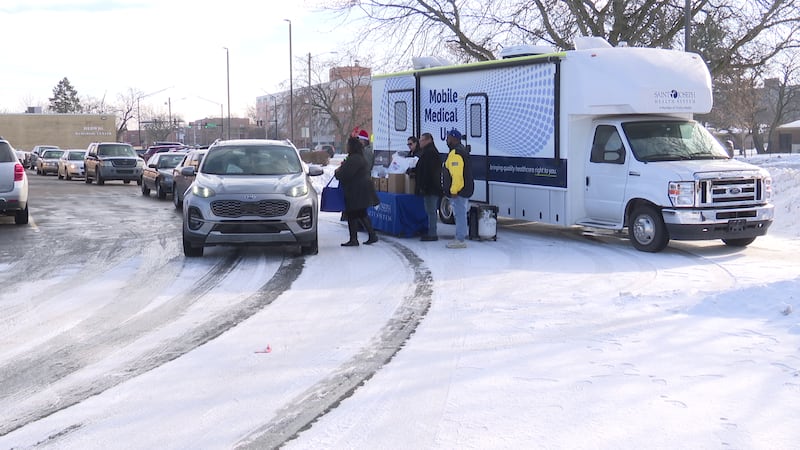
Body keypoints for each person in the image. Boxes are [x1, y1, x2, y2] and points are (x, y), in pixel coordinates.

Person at [334, 136, 380, 246]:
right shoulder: (359, 157)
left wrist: (337, 172)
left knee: (352, 214)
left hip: (356, 191)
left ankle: (355, 239)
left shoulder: (354, 159)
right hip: (360, 190)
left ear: (352, 146)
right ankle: (371, 235)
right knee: (360, 213)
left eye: (348, 145)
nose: (347, 147)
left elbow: (344, 174)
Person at [441, 128, 473, 249]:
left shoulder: (456, 154)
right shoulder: (461, 151)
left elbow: (457, 175)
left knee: (459, 214)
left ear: (454, 139)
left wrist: (454, 190)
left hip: (459, 191)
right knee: (461, 214)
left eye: (448, 138)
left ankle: (460, 239)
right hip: (464, 189)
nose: (447, 140)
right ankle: (460, 237)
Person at [414, 132, 442, 241]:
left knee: (431, 211)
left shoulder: (430, 153)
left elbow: (428, 171)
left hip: (431, 187)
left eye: (421, 140)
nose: (420, 143)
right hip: (430, 187)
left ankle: (432, 233)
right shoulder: (427, 152)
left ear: (428, 140)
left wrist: (424, 185)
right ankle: (431, 232)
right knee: (430, 210)